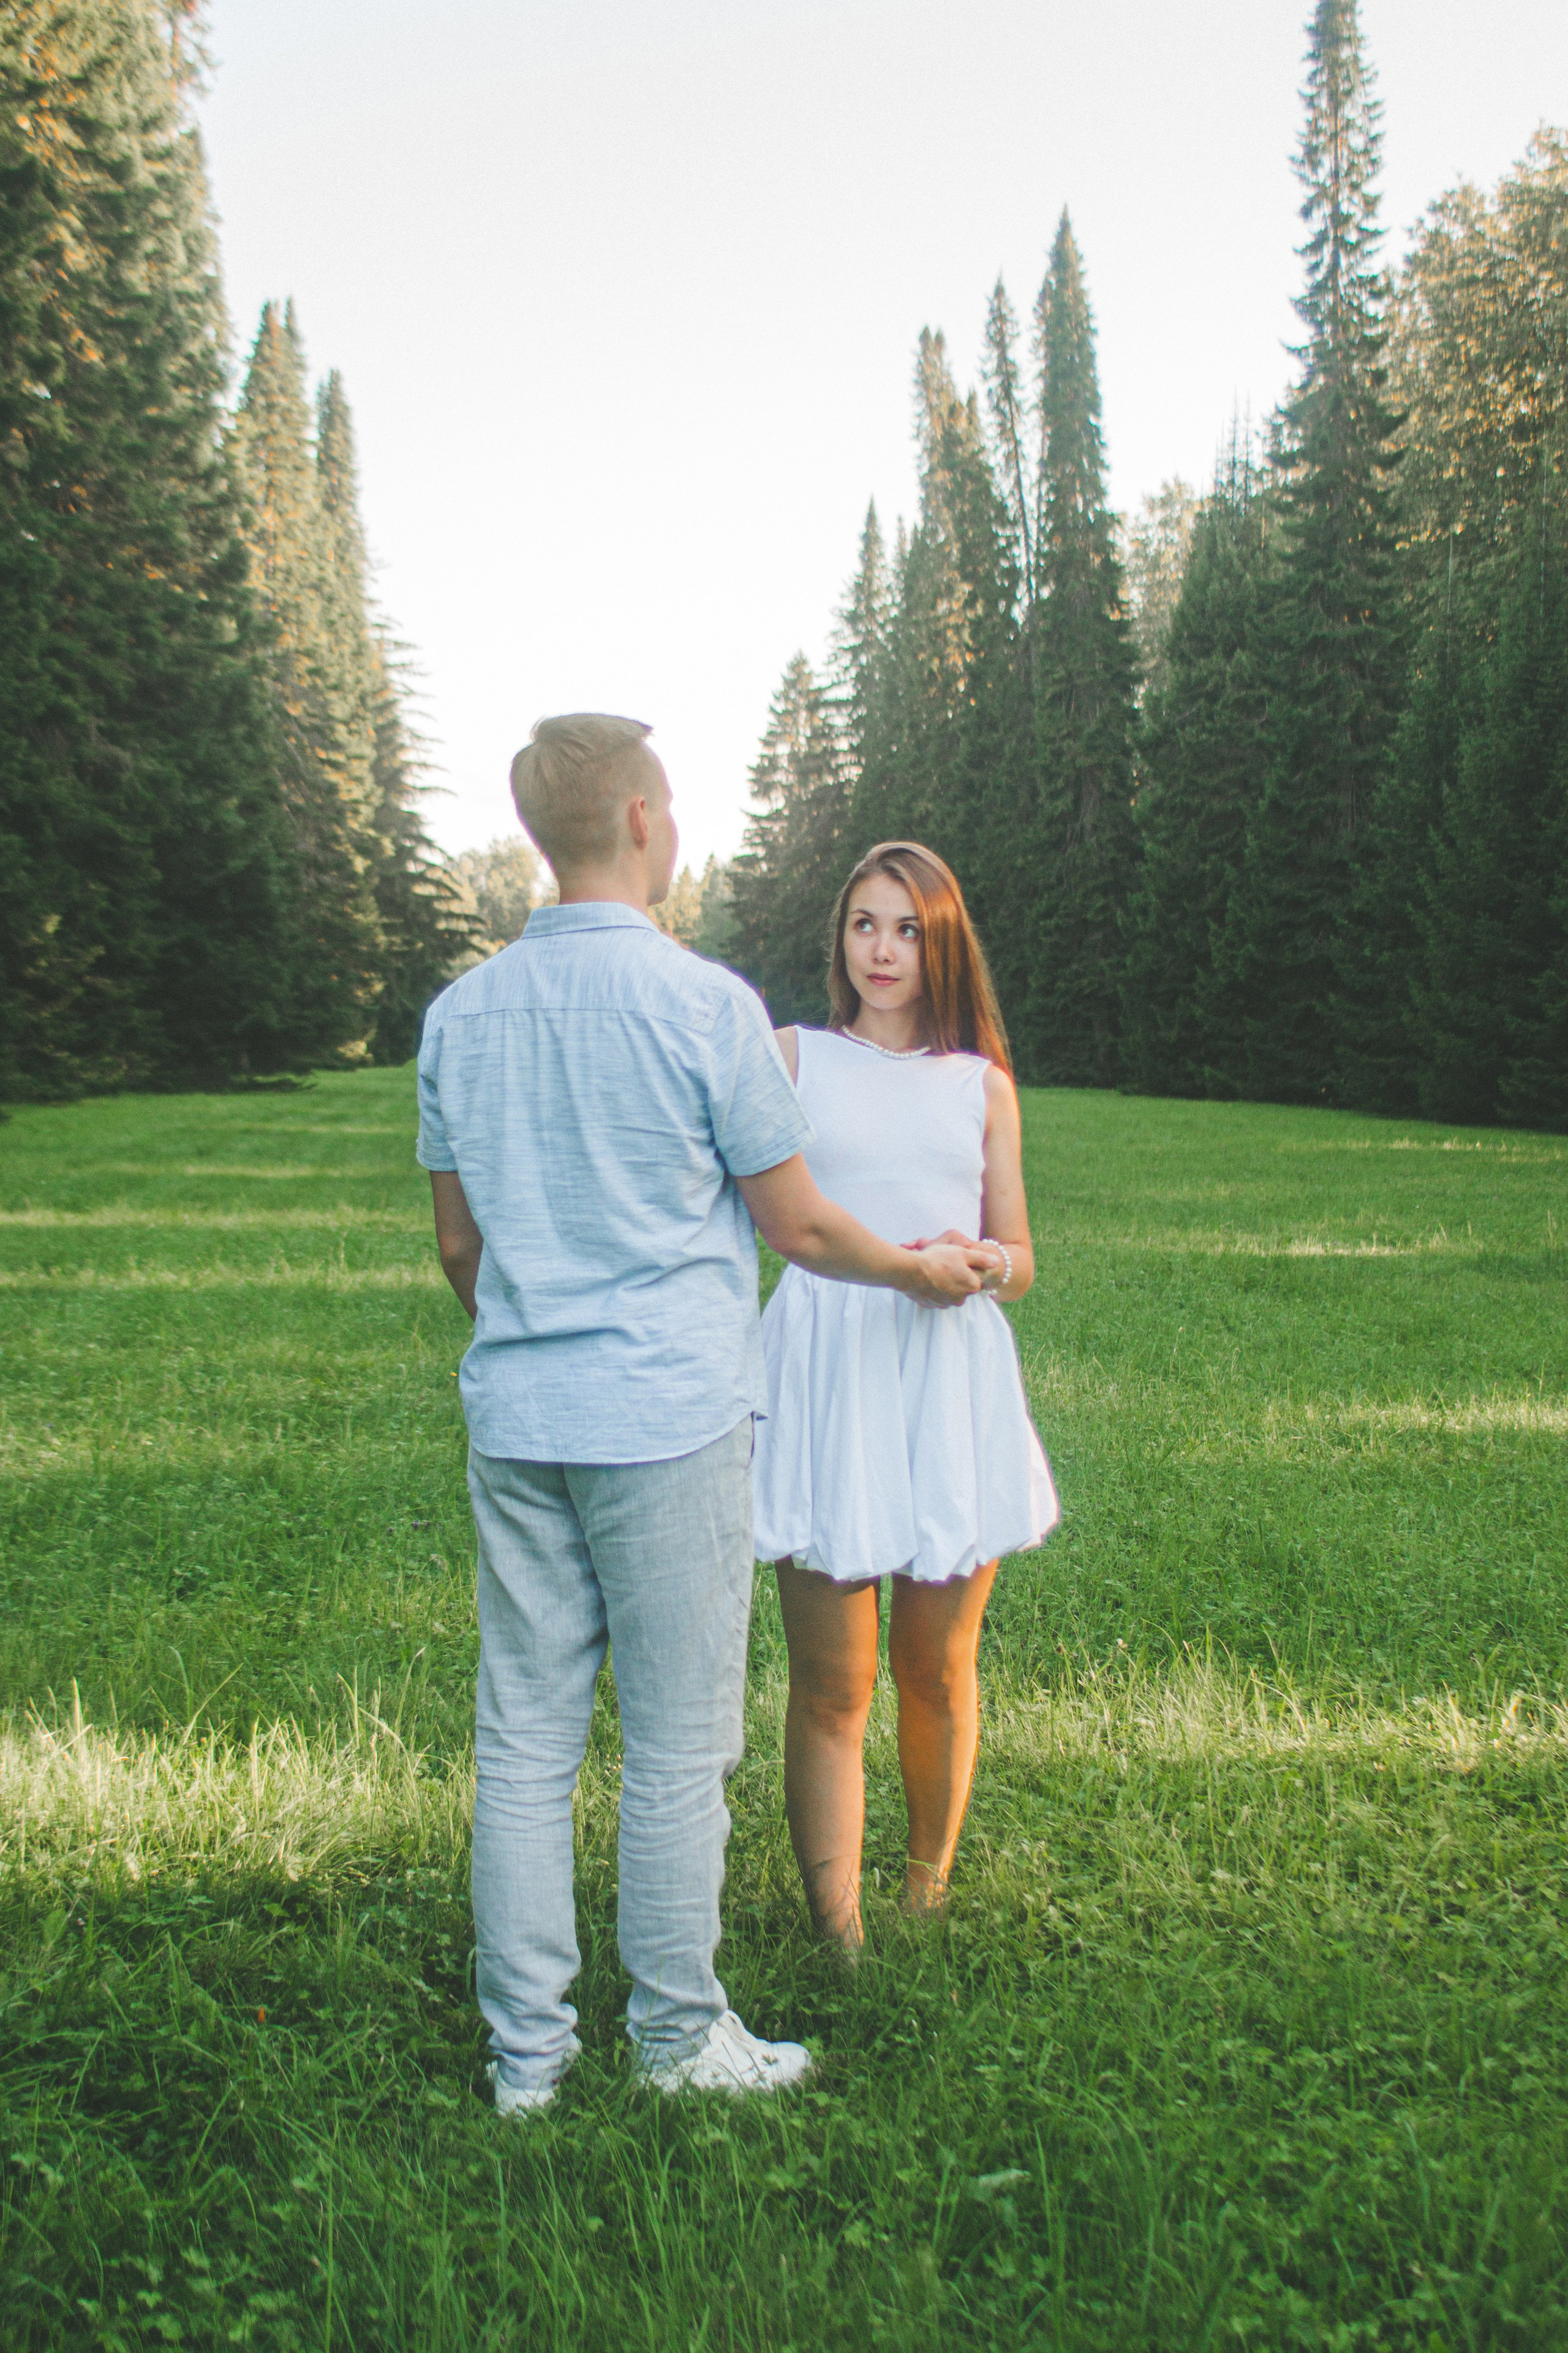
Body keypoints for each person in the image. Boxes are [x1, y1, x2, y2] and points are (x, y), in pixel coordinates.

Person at [417, 719, 997, 2115]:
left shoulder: (459, 1017)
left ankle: (529, 2060)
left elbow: (458, 1251)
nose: (674, 829)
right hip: (667, 1422)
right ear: (635, 816)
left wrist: (539, 1326)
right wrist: (916, 1266)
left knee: (525, 1739)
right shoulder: (703, 1006)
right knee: (680, 1743)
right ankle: (679, 2038)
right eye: (669, 807)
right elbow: (793, 1222)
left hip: (520, 1416)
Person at [753, 841, 1060, 1949]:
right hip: (828, 1370)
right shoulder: (790, 1058)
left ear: (943, 945)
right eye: (862, 925)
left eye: (906, 929)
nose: (882, 951)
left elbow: (1021, 1254)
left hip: (945, 1369)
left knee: (936, 1662)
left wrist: (982, 1263)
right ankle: (838, 1933)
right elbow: (772, 1215)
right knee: (835, 1679)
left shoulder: (981, 1086)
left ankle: (926, 1883)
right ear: (840, 940)